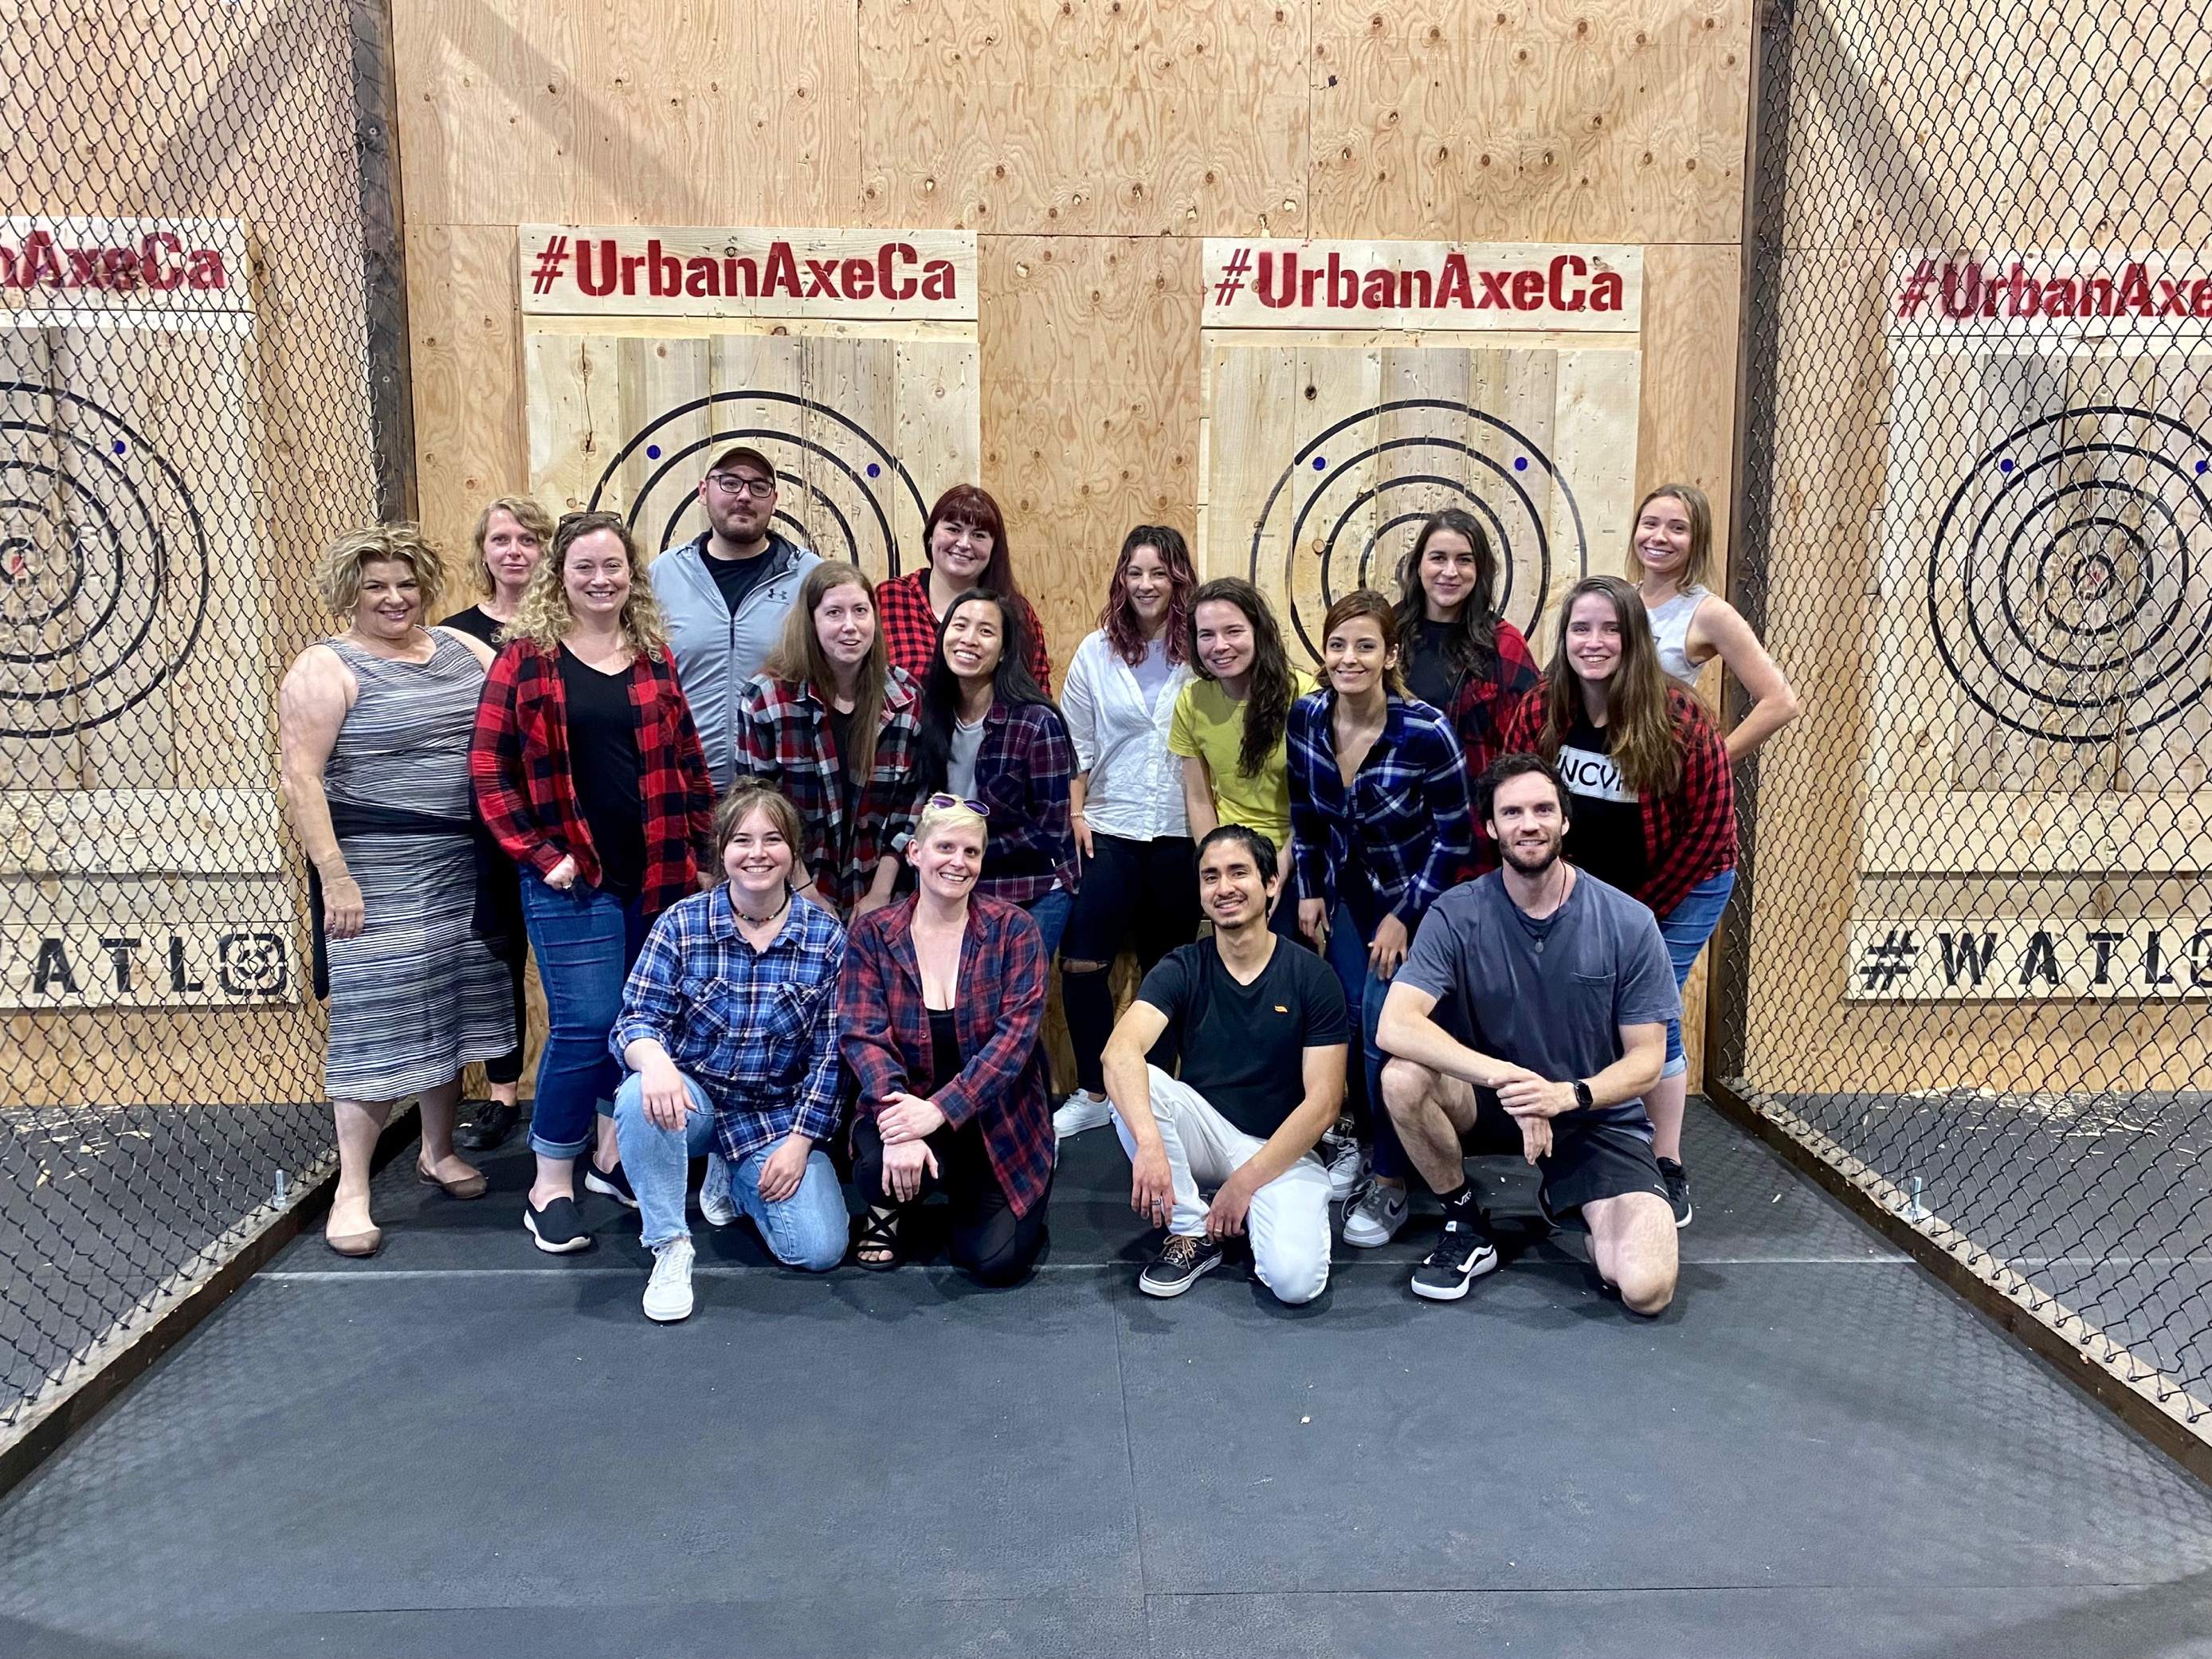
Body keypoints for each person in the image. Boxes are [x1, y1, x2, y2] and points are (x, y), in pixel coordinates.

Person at [472, 510, 716, 1254]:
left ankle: (613, 1158)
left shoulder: (652, 656)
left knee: (636, 1022)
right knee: (584, 1023)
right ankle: (551, 1177)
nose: (600, 579)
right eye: (585, 567)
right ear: (561, 575)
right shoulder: (525, 660)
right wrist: (542, 855)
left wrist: (705, 851)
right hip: (571, 880)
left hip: (659, 876)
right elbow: (489, 773)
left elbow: (688, 762)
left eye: (613, 567)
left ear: (630, 576)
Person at [277, 525, 514, 1256]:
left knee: (451, 1005)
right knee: (373, 1020)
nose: (394, 598)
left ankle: (437, 1150)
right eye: (377, 585)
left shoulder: (464, 651)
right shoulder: (325, 666)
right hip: (373, 871)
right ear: (351, 591)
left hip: (464, 863)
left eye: (406, 584)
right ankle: (353, 1188)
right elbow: (301, 777)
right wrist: (334, 874)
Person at [1376, 755, 1681, 1315]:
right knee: (1402, 1078)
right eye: (1511, 812)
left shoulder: (1628, 921)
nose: (1529, 824)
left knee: (1644, 1288)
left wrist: (1567, 1094)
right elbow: (1395, 1024)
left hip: (1590, 1115)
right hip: (1492, 1104)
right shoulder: (1455, 913)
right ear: (1491, 828)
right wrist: (1510, 1080)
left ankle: (1573, 1202)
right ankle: (1465, 1218)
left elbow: (1648, 1061)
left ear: (1565, 820)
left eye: (1543, 809)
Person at [1498, 575, 1735, 1229]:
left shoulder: (1682, 719)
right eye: (1581, 629)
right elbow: (1516, 798)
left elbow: (1711, 832)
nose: (1595, 642)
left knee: (1651, 1014)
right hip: (1587, 887)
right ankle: (1594, 1146)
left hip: (1680, 885)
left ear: (1634, 638)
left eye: (1610, 630)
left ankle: (1666, 1163)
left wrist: (1636, 918)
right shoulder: (1543, 707)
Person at [610, 782, 849, 1321]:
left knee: (818, 1249)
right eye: (742, 840)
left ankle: (737, 1178)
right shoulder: (682, 924)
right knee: (635, 1096)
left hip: (773, 1117)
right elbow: (636, 1018)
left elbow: (831, 1058)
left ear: (793, 853)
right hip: (690, 1101)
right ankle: (671, 1246)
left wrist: (800, 1143)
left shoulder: (826, 939)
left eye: (773, 840)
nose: (757, 853)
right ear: (721, 851)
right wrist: (655, 1062)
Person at [1287, 590, 1474, 1249]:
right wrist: (1310, 889)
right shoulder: (1307, 716)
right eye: (1338, 644)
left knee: (1386, 1034)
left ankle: (1393, 1182)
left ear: (1391, 654)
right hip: (1344, 898)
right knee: (1348, 1019)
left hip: (1412, 905)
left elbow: (1456, 839)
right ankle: (1368, 1147)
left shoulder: (1426, 729)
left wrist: (1403, 916)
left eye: (1366, 645)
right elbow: (1305, 818)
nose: (1350, 657)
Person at [1101, 825, 1348, 1304]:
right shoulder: (1183, 966)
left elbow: (1323, 1106)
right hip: (1207, 1134)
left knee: (1296, 1284)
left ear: (1271, 884)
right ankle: (1192, 1231)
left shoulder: (1312, 977)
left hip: (1282, 1150)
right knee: (1135, 1080)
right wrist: (1150, 1144)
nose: (1224, 888)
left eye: (1239, 872)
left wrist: (1244, 1184)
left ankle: (1248, 1209)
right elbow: (1118, 1053)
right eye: (1210, 876)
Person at [841, 795, 1054, 1285]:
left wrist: (937, 1112)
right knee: (876, 1170)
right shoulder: (873, 933)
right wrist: (902, 1125)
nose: (958, 863)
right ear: (915, 853)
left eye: (971, 852)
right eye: (945, 847)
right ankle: (893, 1203)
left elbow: (1013, 1045)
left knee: (995, 1265)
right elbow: (863, 1037)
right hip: (904, 1107)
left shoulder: (1013, 930)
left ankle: (955, 1192)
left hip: (994, 1119)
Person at [1052, 527, 1202, 1139]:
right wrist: (1077, 815)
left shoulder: (1203, 649)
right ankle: (1092, 1090)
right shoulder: (1096, 652)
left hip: (1179, 833)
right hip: (1108, 828)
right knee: (1083, 962)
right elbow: (1075, 747)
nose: (1146, 585)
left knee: (1168, 969)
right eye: (1135, 572)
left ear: (1179, 580)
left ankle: (1153, 1091)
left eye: (1159, 573)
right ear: (1122, 577)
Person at [441, 493, 557, 1153]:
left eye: (528, 540)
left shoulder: (566, 627)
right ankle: (503, 1092)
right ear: (483, 552)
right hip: (485, 822)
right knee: (498, 955)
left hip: (555, 820)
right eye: (501, 540)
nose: (515, 551)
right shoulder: (451, 635)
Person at [735, 559, 924, 922]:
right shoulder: (767, 699)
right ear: (812, 622)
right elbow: (760, 807)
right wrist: (807, 894)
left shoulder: (906, 698)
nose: (850, 626)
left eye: (860, 611)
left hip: (881, 890)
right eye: (834, 613)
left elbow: (909, 810)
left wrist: (879, 896)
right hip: (788, 888)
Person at [912, 589, 1078, 956]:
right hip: (955, 880)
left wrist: (968, 850)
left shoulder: (1036, 722)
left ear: (1003, 650)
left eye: (986, 631)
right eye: (960, 626)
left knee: (1012, 1006)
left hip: (1030, 885)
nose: (969, 639)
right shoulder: (927, 714)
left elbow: (1050, 829)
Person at [647, 444, 821, 788]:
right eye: (729, 482)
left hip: (780, 789)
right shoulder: (663, 575)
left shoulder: (810, 576)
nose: (744, 496)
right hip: (684, 788)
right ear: (702, 491)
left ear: (774, 500)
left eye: (758, 487)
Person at [1391, 508, 1539, 864]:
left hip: (1471, 836)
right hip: (1394, 828)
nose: (1450, 572)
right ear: (1418, 566)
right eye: (1438, 558)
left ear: (1480, 571)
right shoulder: (1387, 631)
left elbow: (1527, 751)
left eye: (1464, 560)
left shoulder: (1504, 645)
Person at [1167, 577, 1312, 939]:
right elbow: (1199, 798)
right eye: (1206, 635)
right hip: (1231, 851)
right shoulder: (1192, 700)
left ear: (1257, 631)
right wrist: (1217, 869)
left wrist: (1277, 868)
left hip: (1294, 851)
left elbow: (1314, 805)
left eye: (1233, 631)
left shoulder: (1304, 696)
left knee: (1280, 955)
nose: (1220, 646)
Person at [1630, 483, 1800, 759]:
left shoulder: (1708, 612)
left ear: (1698, 539)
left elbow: (1781, 703)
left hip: (1656, 771)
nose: (1659, 537)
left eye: (1677, 528)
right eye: (1650, 524)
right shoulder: (1620, 599)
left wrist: (1710, 764)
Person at [874, 484, 1053, 692]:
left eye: (978, 535)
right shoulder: (889, 598)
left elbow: (1037, 696)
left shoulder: (1017, 613)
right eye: (953, 529)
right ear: (931, 535)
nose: (964, 543)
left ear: (994, 546)